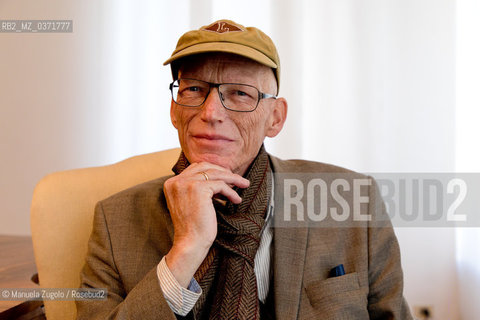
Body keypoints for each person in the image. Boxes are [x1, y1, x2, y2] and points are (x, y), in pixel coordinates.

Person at [77, 19, 413, 319]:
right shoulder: (114, 221)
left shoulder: (353, 202)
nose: (211, 112)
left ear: (275, 118)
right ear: (174, 110)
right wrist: (187, 248)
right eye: (194, 89)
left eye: (239, 93)